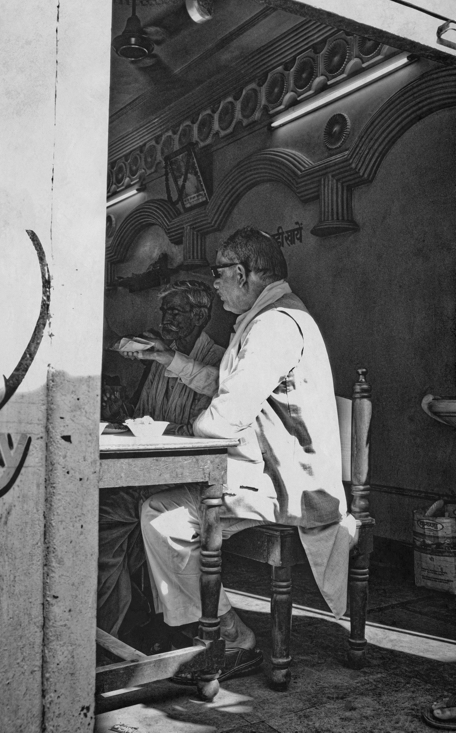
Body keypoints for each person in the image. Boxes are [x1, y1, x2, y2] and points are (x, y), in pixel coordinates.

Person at [133, 226, 357, 681]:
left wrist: (176, 429)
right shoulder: (267, 318)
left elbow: (224, 416)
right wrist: (170, 361)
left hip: (286, 482)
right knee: (163, 511)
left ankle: (224, 634)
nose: (215, 285)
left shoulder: (274, 325)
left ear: (241, 272)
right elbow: (227, 385)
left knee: (160, 514)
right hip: (273, 473)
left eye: (219, 275)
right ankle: (213, 629)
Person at [98, 280, 224, 643]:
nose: (166, 318)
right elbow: (144, 417)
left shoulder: (215, 360)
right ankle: (120, 628)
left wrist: (152, 429)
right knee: (99, 518)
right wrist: (120, 414)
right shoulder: (157, 357)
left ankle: (111, 633)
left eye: (175, 311)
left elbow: (203, 433)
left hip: (184, 482)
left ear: (200, 316)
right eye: (164, 310)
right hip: (149, 476)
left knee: (108, 525)